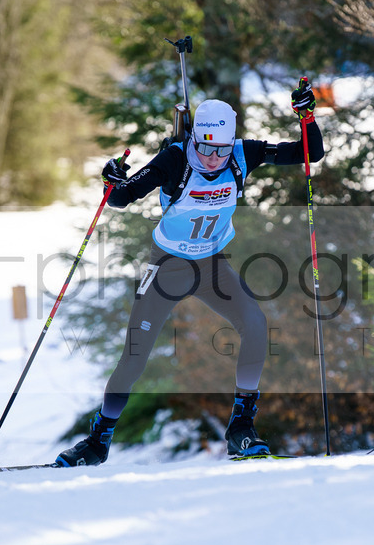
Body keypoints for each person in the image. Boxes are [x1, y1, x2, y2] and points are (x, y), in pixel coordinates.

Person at [56, 81, 324, 466]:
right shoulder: (175, 160)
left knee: (255, 324)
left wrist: (307, 118)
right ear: (194, 138)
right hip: (168, 267)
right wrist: (111, 179)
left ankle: (241, 428)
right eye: (205, 148)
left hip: (213, 266)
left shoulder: (243, 153)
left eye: (221, 150)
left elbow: (308, 152)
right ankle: (98, 442)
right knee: (135, 355)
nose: (213, 158)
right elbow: (122, 197)